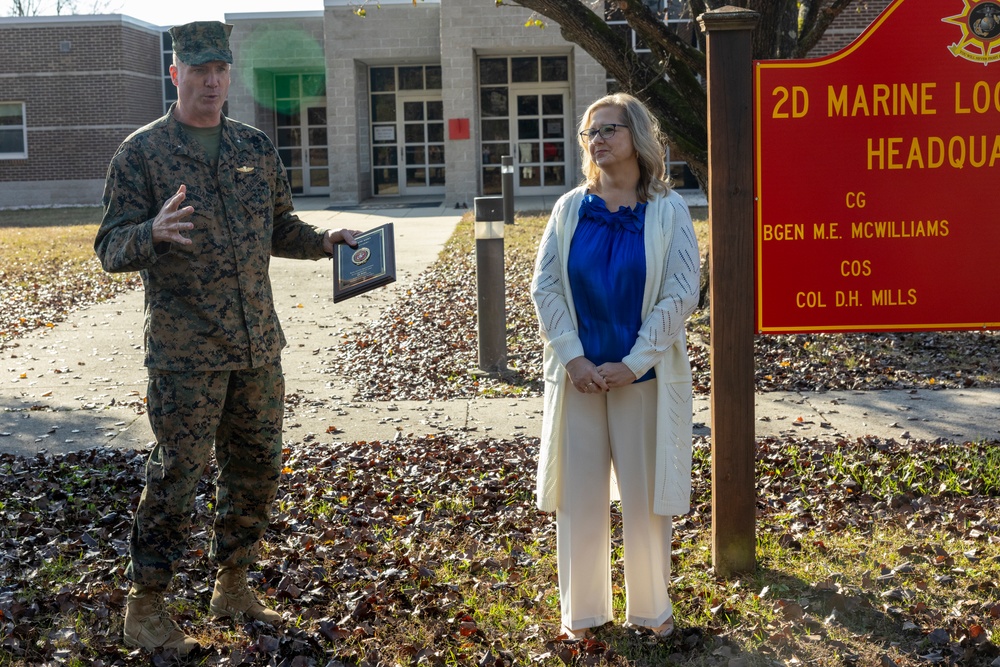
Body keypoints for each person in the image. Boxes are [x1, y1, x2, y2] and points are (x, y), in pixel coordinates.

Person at [94, 21, 362, 655]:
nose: (212, 81)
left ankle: (233, 584)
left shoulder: (253, 146)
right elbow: (109, 246)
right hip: (185, 353)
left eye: (220, 69)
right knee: (178, 475)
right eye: (199, 70)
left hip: (257, 345)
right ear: (175, 74)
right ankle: (145, 604)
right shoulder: (141, 153)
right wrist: (150, 233)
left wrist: (323, 242)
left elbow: (279, 227)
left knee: (256, 467)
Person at [530, 93, 700, 640]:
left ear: (637, 136)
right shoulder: (569, 208)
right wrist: (574, 358)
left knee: (646, 501)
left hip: (642, 378)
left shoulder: (668, 209)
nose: (597, 140)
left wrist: (634, 362)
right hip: (579, 379)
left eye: (608, 129)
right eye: (590, 132)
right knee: (579, 500)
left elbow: (682, 292)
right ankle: (582, 617)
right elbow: (545, 287)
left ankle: (652, 613)